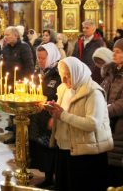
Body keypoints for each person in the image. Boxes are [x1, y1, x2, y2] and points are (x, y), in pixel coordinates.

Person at [46, 57, 113, 191]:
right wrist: (53, 110)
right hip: (65, 149)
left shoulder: (93, 92)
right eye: (62, 76)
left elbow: (92, 124)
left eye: (68, 76)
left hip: (86, 154)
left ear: (76, 72)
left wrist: (62, 115)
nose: (64, 80)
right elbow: (63, 113)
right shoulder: (63, 89)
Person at [29, 43, 61, 189]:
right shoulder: (40, 72)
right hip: (38, 115)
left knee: (51, 149)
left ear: (52, 56)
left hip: (50, 115)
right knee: (41, 148)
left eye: (43, 58)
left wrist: (53, 117)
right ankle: (47, 177)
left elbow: (61, 96)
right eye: (39, 58)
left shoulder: (59, 73)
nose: (40, 61)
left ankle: (55, 179)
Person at [1, 26, 35, 144]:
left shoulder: (24, 47)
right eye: (5, 35)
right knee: (12, 110)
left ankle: (23, 136)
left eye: (8, 35)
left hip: (21, 84)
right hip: (9, 82)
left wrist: (25, 82)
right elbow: (4, 66)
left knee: (21, 111)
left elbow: (30, 66)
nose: (5, 37)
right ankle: (15, 135)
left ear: (16, 35)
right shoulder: (5, 48)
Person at [100, 39, 123, 187]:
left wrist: (103, 110)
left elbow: (122, 104)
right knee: (108, 167)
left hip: (120, 126)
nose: (113, 54)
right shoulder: (110, 73)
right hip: (107, 125)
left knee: (118, 168)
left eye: (118, 51)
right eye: (113, 50)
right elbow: (101, 92)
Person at [72, 19, 105, 84]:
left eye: (87, 28)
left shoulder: (99, 42)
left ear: (94, 29)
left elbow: (101, 60)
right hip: (79, 73)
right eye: (83, 28)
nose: (84, 30)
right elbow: (74, 56)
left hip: (93, 74)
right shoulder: (78, 42)